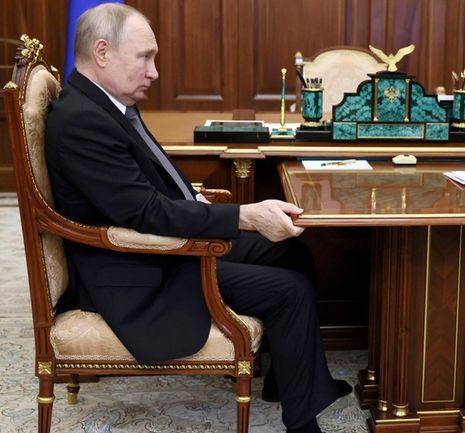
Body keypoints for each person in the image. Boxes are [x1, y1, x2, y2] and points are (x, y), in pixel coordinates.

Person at [44, 4, 349, 433]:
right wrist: (244, 216)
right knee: (290, 290)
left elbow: (145, 192)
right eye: (144, 57)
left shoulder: (104, 103)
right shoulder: (83, 121)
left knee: (292, 254)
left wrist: (204, 202)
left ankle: (288, 384)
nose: (153, 72)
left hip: (156, 249)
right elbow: (145, 212)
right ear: (102, 52)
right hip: (137, 270)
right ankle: (303, 425)